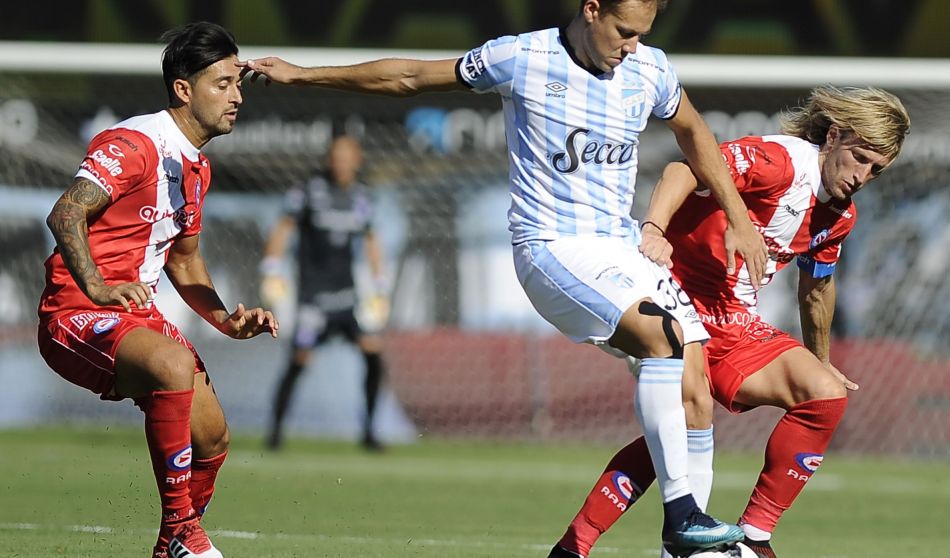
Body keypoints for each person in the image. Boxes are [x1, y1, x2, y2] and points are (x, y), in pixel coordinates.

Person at [242, 1, 769, 554]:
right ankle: (681, 515)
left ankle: (675, 548)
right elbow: (409, 76)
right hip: (552, 248)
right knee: (661, 336)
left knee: (695, 390)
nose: (632, 46)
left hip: (621, 250)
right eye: (624, 31)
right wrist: (303, 74)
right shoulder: (524, 57)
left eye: (642, 34)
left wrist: (739, 217)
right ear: (592, 10)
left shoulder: (650, 68)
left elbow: (693, 130)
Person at [546, 86, 911, 558]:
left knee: (823, 394)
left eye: (876, 170)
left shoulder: (839, 215)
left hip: (735, 323)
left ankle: (753, 538)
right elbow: (683, 169)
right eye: (859, 158)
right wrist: (654, 230)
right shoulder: (778, 162)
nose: (862, 176)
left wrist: (822, 360)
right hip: (672, 300)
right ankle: (579, 547)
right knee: (682, 425)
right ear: (834, 136)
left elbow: (817, 288)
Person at [36, 22, 278, 558]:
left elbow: (185, 262)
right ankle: (180, 533)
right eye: (222, 84)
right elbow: (66, 213)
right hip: (76, 311)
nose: (237, 97)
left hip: (134, 315)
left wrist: (227, 321)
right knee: (172, 363)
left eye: (238, 84)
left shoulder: (197, 166)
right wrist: (98, 286)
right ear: (183, 89)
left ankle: (173, 544)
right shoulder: (135, 144)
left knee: (212, 438)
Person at [260, 135, 390, 452]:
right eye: (336, 156)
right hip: (313, 300)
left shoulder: (361, 197)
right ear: (328, 159)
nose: (341, 163)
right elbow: (284, 227)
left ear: (357, 161)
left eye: (347, 157)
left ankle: (369, 432)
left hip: (347, 299)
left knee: (374, 354)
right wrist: (271, 266)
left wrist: (380, 284)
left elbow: (371, 239)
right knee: (299, 359)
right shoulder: (308, 191)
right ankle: (275, 434)